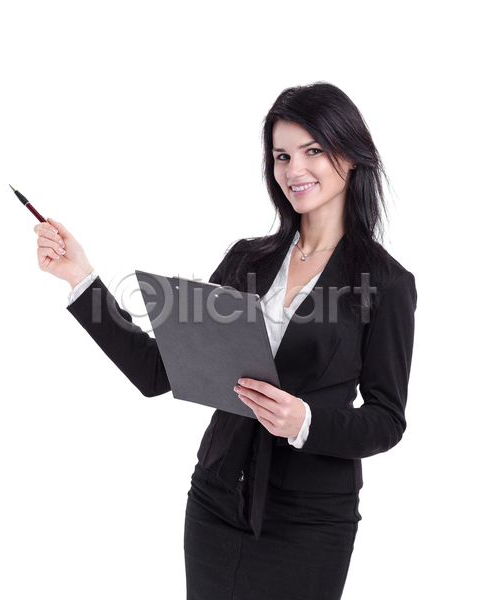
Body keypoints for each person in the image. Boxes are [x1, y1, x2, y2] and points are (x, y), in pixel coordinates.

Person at [34, 82, 417, 600]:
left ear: (349, 155)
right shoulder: (248, 260)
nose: (294, 170)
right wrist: (81, 278)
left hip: (310, 523)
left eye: (312, 151)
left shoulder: (387, 283)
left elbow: (387, 420)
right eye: (282, 156)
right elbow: (157, 371)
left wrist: (305, 422)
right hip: (216, 502)